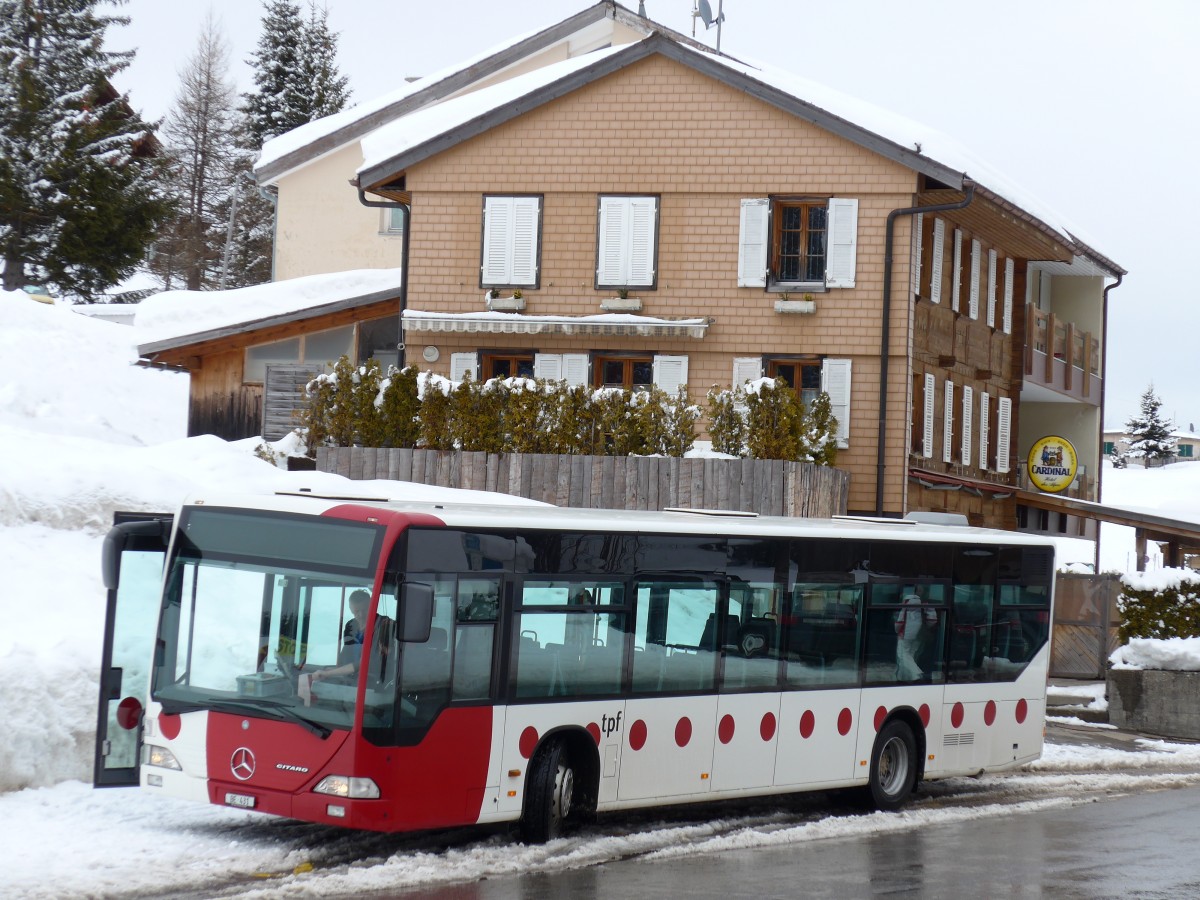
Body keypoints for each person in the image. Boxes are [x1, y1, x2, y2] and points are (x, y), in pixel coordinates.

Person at [312, 590, 390, 684]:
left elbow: (364, 663)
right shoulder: (351, 625)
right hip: (351, 680)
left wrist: (328, 674)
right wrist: (329, 671)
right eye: (356, 611)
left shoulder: (384, 625)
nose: (361, 615)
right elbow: (345, 658)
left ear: (372, 606)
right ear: (350, 609)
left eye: (365, 610)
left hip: (376, 683)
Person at [894, 593, 936, 680]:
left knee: (903, 655)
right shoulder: (924, 604)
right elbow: (932, 620)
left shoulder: (906, 603)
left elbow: (900, 621)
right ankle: (904, 678)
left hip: (905, 634)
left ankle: (917, 673)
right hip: (919, 634)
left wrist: (897, 630)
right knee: (911, 655)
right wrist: (925, 627)